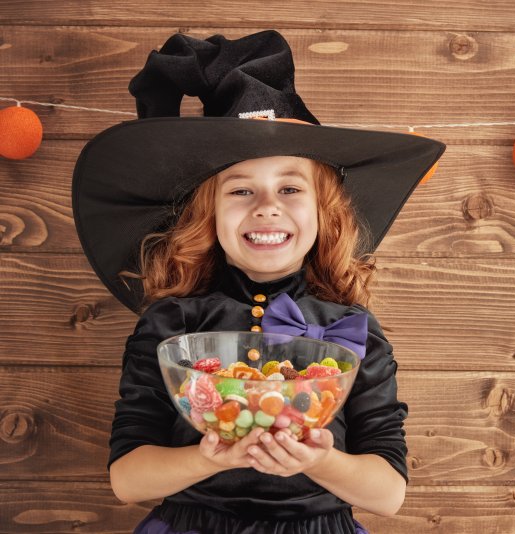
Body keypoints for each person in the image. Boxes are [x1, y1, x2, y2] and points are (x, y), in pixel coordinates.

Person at [71, 30, 444, 534]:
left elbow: (389, 494)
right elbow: (128, 480)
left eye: (290, 187)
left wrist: (317, 461)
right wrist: (212, 458)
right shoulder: (170, 323)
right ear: (208, 216)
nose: (267, 206)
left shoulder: (355, 330)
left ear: (324, 214)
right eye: (240, 189)